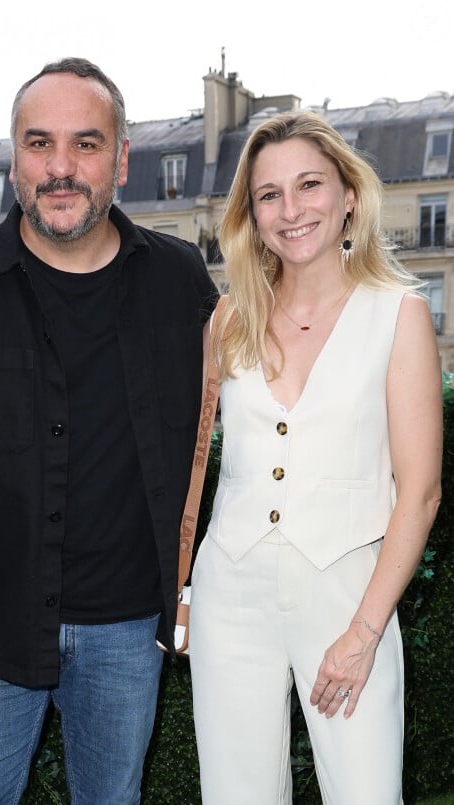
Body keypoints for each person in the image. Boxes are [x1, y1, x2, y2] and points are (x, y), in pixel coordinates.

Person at [0, 57, 217, 804]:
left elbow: (251, 404)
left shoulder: (180, 280)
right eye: (39, 144)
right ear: (13, 158)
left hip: (130, 627)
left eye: (86, 144)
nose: (60, 168)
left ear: (122, 159)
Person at [189, 111, 442, 804]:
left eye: (309, 185)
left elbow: (419, 492)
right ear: (252, 213)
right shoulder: (228, 319)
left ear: (349, 196)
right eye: (269, 194)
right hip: (230, 596)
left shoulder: (399, 314)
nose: (291, 209)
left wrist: (363, 632)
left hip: (348, 595)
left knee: (365, 793)